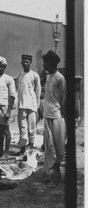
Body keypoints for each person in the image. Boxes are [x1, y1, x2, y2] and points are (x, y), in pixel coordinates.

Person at [41, 50, 66, 185]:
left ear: (52, 63)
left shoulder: (59, 78)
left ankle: (56, 172)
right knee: (48, 146)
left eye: (45, 62)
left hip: (57, 116)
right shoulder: (48, 76)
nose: (43, 64)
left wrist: (65, 118)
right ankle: (49, 174)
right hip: (47, 115)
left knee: (58, 148)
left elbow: (64, 99)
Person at [13, 54, 41, 156]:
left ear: (30, 63)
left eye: (27, 62)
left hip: (32, 106)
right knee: (22, 128)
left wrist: (37, 107)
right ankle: (22, 150)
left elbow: (37, 92)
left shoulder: (35, 75)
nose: (25, 64)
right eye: (23, 62)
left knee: (32, 129)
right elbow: (18, 91)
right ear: (21, 63)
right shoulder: (19, 75)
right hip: (22, 105)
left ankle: (32, 150)